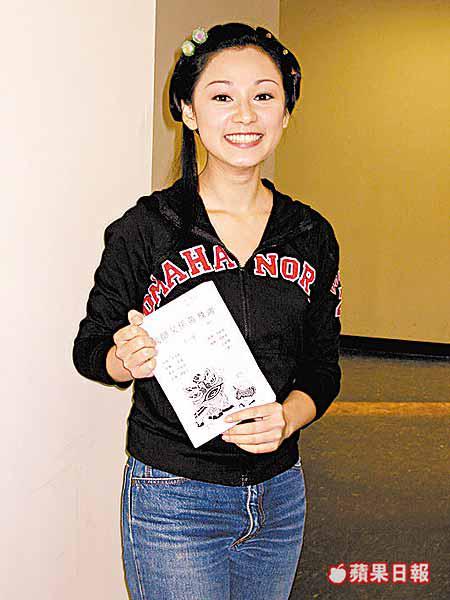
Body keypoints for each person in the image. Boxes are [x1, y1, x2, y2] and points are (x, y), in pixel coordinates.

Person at [73, 22, 343, 600]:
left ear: (286, 114)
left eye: (264, 96)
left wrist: (288, 418)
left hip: (280, 496)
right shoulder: (146, 229)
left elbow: (323, 368)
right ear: (189, 112)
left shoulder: (310, 234)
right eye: (222, 96)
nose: (245, 114)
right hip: (175, 496)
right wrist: (123, 358)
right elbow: (91, 348)